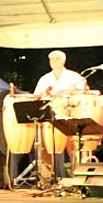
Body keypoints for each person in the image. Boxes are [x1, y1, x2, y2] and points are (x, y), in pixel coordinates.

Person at [34, 50, 88, 181]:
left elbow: (84, 92)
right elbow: (37, 96)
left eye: (57, 58)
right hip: (51, 120)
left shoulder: (74, 77)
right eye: (51, 58)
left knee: (75, 150)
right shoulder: (44, 79)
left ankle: (80, 179)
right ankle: (48, 180)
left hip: (71, 116)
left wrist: (67, 92)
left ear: (64, 60)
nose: (54, 60)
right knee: (47, 148)